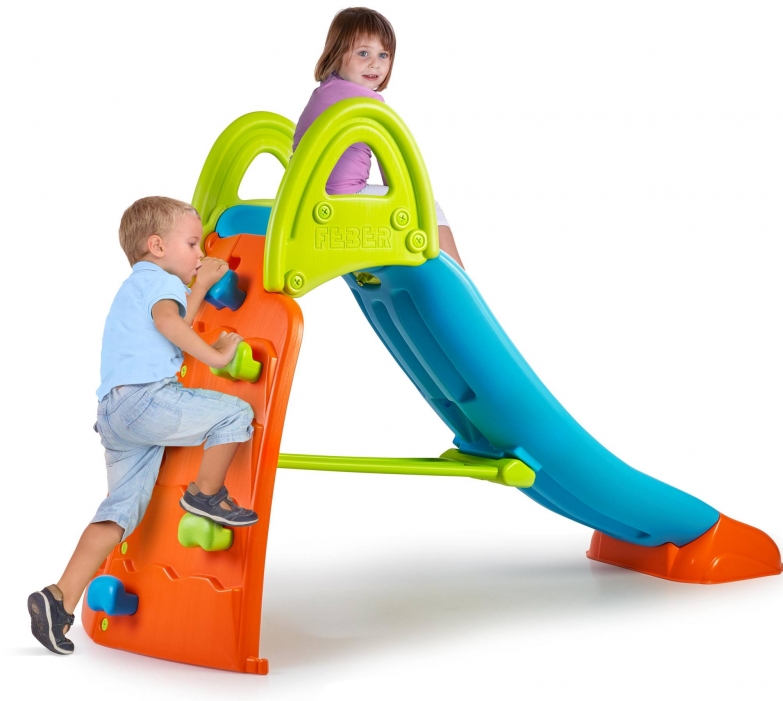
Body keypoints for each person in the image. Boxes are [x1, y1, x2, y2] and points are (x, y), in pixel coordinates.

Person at [28, 196, 258, 655]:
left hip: (114, 415)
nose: (199, 253)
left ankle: (59, 599)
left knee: (118, 513)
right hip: (144, 400)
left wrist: (199, 285)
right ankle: (206, 494)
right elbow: (171, 322)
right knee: (236, 413)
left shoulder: (139, 284)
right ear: (157, 246)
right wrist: (216, 356)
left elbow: (172, 318)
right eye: (192, 244)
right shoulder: (160, 282)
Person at [295, 6, 464, 268]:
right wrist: (403, 198)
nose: (375, 63)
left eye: (383, 55)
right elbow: (392, 161)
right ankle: (456, 274)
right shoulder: (369, 103)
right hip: (345, 200)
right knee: (427, 206)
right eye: (363, 53)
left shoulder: (323, 93)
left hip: (305, 198)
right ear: (336, 54)